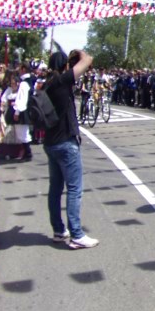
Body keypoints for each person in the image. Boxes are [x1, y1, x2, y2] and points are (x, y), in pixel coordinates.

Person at [43, 49, 97, 249]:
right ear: (65, 66)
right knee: (74, 189)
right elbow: (88, 59)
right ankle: (77, 234)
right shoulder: (62, 80)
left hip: (50, 142)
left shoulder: (48, 83)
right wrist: (79, 53)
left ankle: (59, 230)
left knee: (55, 189)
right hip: (66, 142)